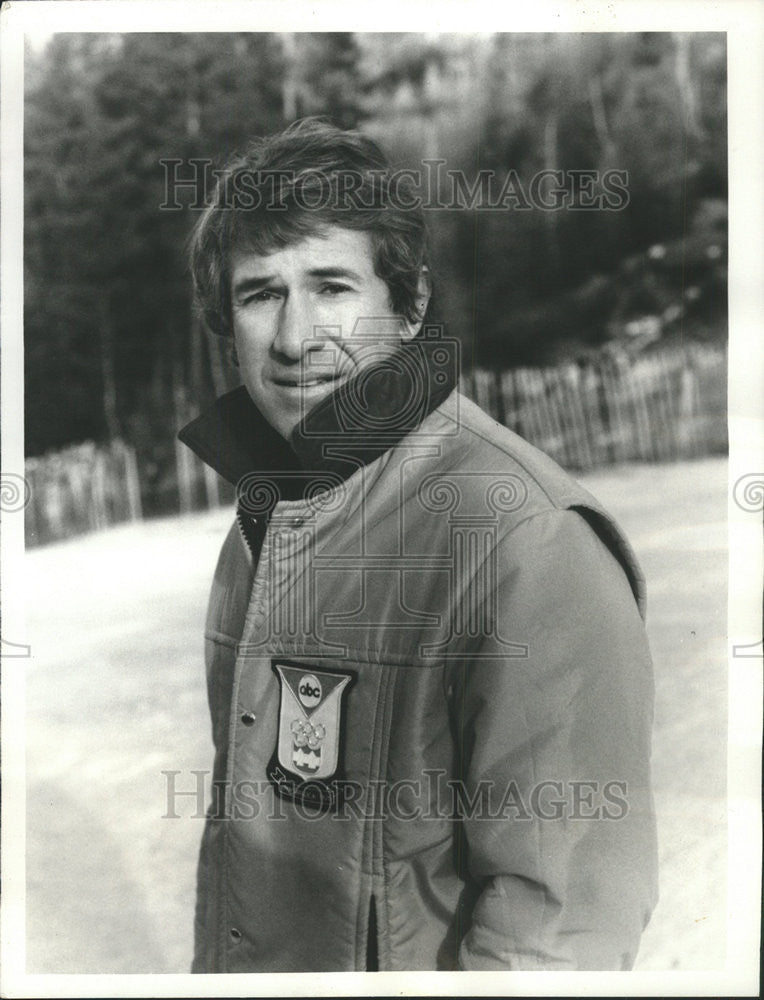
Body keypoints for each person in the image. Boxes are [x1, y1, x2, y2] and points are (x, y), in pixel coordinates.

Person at [179, 118, 658, 973]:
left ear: (412, 301)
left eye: (332, 286)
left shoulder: (525, 535)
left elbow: (559, 929)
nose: (295, 338)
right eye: (260, 293)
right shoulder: (268, 512)